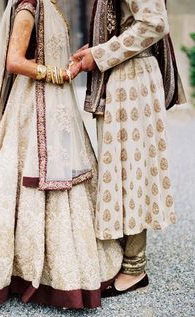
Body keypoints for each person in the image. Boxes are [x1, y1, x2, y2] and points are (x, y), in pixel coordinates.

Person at [0, 0, 123, 308]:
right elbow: (14, 61)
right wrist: (56, 74)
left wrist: (72, 63)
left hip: (55, 105)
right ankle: (18, 268)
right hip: (31, 107)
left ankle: (57, 263)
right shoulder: (28, 7)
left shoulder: (52, 7)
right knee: (23, 181)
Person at [72, 0, 186, 296]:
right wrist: (94, 50)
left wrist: (99, 54)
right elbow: (122, 25)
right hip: (121, 75)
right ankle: (123, 256)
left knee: (131, 171)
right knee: (118, 171)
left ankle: (135, 267)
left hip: (133, 80)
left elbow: (154, 23)